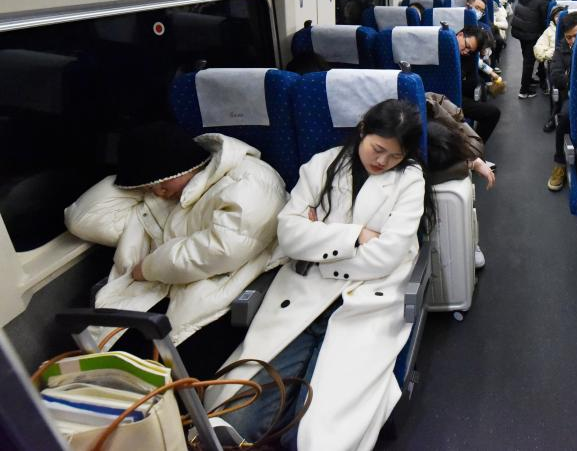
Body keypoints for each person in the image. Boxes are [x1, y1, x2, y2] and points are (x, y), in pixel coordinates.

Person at [212, 100, 434, 450]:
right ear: (362, 129)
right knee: (238, 419)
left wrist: (319, 251)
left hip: (367, 299)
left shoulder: (410, 180)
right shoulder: (322, 165)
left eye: (394, 156)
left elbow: (386, 257)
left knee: (316, 435)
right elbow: (289, 235)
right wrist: (356, 235)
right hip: (305, 292)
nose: (382, 162)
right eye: (377, 149)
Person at [65, 122, 286, 346]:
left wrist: (149, 268)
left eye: (160, 183)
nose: (158, 192)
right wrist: (137, 182)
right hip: (152, 295)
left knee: (141, 359)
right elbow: (82, 220)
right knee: (105, 357)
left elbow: (223, 249)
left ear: (185, 163)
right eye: (149, 186)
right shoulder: (161, 196)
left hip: (211, 294)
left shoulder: (250, 181)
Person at [425, 91, 495, 269]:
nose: (382, 160)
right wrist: (471, 163)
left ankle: (469, 239)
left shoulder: (430, 103)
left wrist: (470, 162)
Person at [547, 11, 577, 192]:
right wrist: (571, 77)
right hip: (573, 95)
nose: (573, 40)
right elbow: (556, 76)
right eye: (569, 37)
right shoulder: (561, 49)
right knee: (565, 117)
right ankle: (559, 162)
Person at [511, 0, 556, 99]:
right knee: (529, 61)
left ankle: (530, 79)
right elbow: (545, 18)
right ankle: (524, 90)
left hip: (520, 28)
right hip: (531, 31)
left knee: (527, 57)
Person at [456, 25, 501, 142]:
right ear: (460, 35)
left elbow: (478, 64)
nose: (465, 52)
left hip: (456, 97)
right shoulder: (438, 48)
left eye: (469, 51)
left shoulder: (468, 57)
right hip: (436, 97)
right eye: (466, 46)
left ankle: (474, 147)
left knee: (491, 111)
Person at [466, 0, 507, 69]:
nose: (478, 12)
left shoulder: (484, 30)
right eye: (477, 8)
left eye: (481, 11)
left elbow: (484, 60)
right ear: (467, 5)